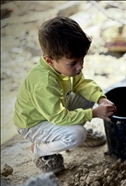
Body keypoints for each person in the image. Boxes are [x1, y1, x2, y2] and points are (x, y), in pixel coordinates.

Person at [13, 16, 117, 174]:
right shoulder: (43, 83)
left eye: (82, 60)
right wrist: (94, 113)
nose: (80, 67)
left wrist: (101, 99)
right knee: (77, 135)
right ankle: (41, 149)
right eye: (73, 63)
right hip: (34, 124)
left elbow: (82, 84)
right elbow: (59, 118)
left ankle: (67, 132)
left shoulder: (63, 67)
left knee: (89, 94)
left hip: (53, 112)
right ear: (49, 61)